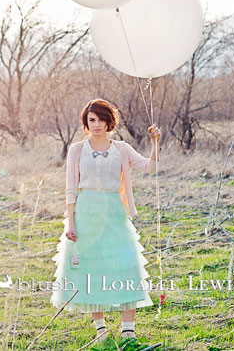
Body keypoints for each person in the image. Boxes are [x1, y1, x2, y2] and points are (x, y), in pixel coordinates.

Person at [50, 98, 161, 343]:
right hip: (86, 210)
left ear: (109, 121)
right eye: (92, 120)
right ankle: (101, 332)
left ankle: (128, 333)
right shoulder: (77, 150)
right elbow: (70, 187)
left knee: (125, 264)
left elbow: (150, 167)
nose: (97, 124)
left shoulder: (121, 148)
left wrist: (155, 142)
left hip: (114, 211)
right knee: (90, 267)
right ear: (86, 123)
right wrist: (70, 221)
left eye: (101, 119)